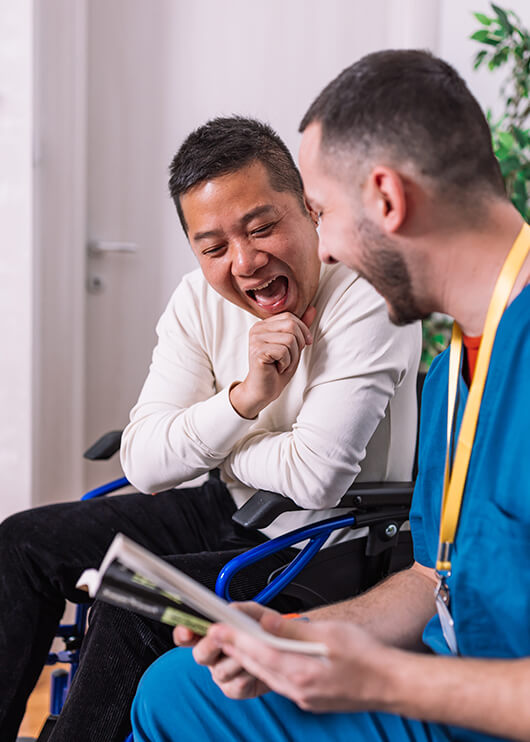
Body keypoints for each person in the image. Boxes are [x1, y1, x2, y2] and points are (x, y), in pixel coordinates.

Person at [131, 51, 530, 742]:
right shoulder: (458, 369)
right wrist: (295, 633)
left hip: (478, 711)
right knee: (177, 686)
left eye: (319, 212)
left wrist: (381, 678)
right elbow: (433, 577)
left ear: (387, 201)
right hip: (440, 692)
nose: (324, 244)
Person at [0, 116, 420, 742]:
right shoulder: (196, 302)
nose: (246, 262)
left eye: (262, 227)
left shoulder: (366, 295)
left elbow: (318, 475)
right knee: (21, 545)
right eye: (214, 247)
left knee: (131, 599)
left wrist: (219, 451)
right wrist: (246, 400)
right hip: (232, 508)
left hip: (337, 545)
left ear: (308, 208)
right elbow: (143, 463)